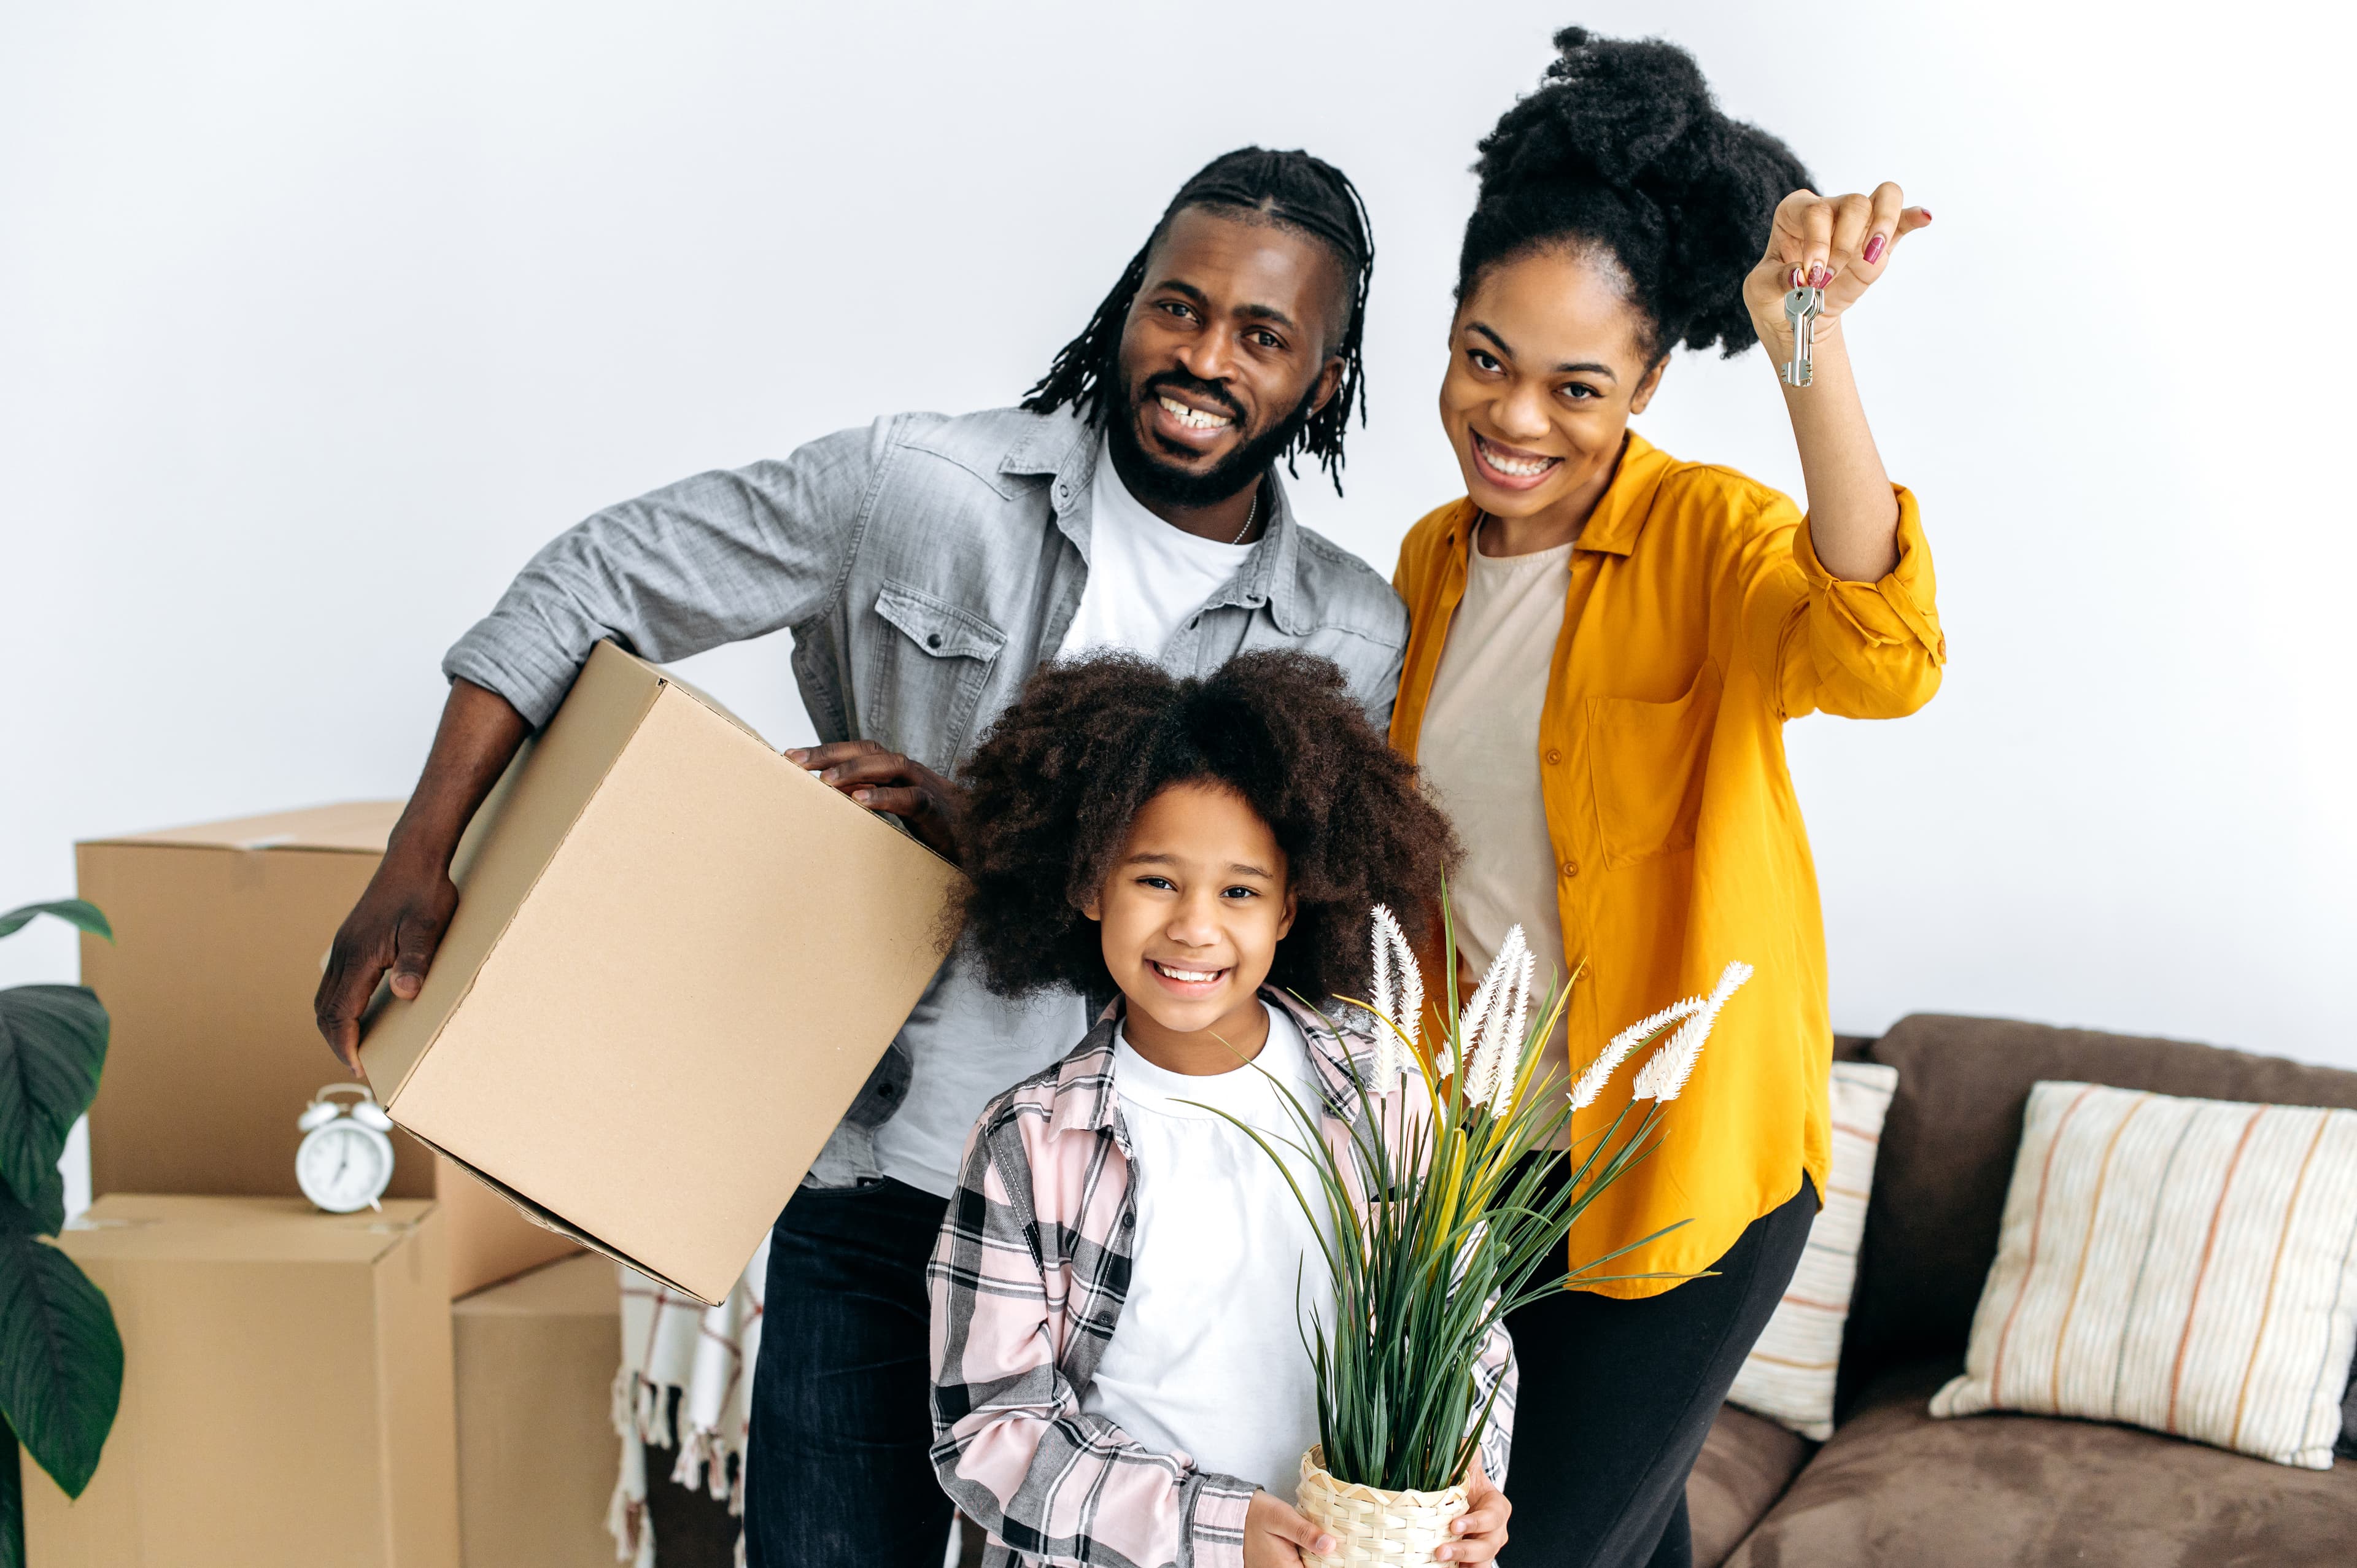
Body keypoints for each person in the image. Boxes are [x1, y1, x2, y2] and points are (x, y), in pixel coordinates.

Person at [309, 147, 1410, 1568]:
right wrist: (420, 852)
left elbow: (1261, 945)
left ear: (1322, 382)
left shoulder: (1344, 633)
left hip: (1133, 1232)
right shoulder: (920, 491)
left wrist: (994, 835)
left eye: (1263, 335)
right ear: (1126, 306)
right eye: (1177, 308)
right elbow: (595, 580)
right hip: (876, 1186)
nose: (1204, 358)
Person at [1383, 29, 1945, 1568]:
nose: (1516, 419)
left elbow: (1883, 655)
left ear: (1643, 383)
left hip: (1684, 1169)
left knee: (1535, 1549)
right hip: (1485, 1178)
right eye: (1486, 360)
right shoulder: (1428, 565)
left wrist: (1806, 339)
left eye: (1577, 387)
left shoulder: (1706, 535)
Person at [928, 650, 1511, 1568]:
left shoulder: (1382, 1092)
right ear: (1088, 886)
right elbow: (989, 1436)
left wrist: (1465, 1472)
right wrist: (1219, 1529)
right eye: (1156, 880)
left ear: (1290, 910)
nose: (1196, 926)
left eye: (1240, 891)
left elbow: (1466, 1335)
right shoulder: (1028, 1144)